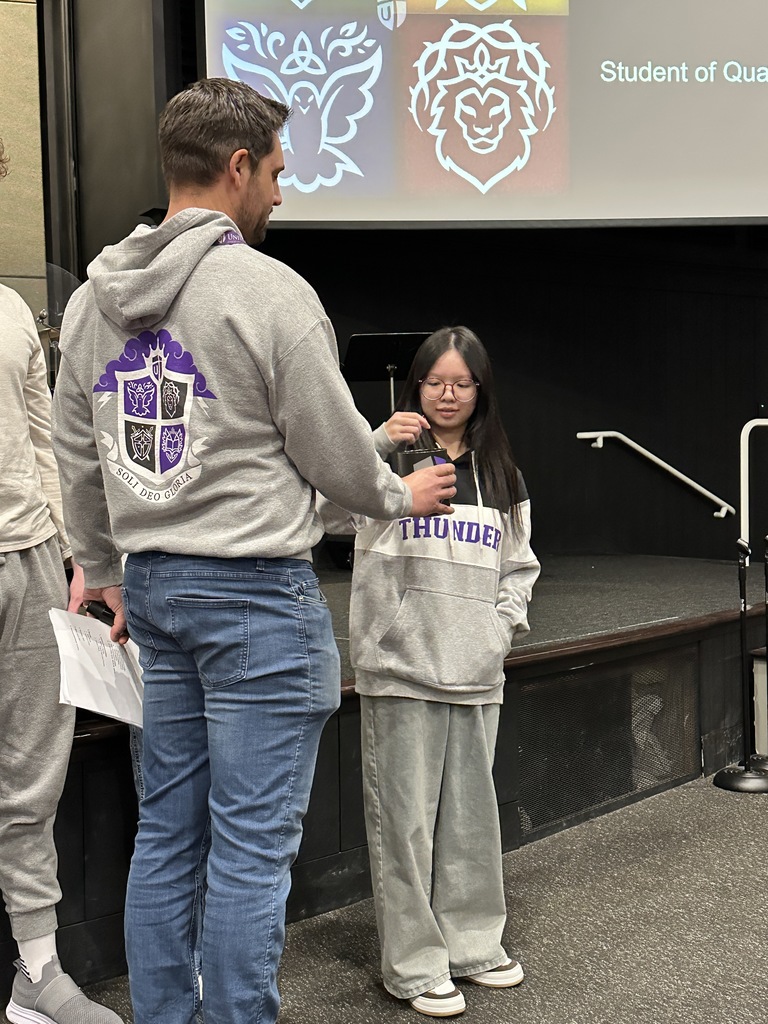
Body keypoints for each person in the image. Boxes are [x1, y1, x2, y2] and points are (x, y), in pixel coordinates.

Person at [50, 78, 456, 1024]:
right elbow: (334, 457)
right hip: (255, 604)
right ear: (237, 167)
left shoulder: (90, 303)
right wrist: (395, 494)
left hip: (155, 593)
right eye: (275, 171)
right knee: (248, 853)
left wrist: (102, 569)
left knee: (167, 838)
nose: (280, 190)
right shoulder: (271, 293)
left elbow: (77, 452)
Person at [319, 326, 540, 1017]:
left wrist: (498, 630)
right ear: (416, 386)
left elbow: (520, 567)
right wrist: (375, 443)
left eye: (461, 383)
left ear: (480, 391)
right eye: (435, 382)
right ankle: (414, 966)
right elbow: (321, 514)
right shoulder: (387, 460)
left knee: (472, 822)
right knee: (404, 827)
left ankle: (473, 946)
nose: (447, 394)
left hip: (475, 669)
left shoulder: (502, 473)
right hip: (401, 666)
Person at [0, 137, 123, 1024]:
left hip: (31, 556)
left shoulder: (11, 309)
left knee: (33, 776)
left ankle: (36, 974)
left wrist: (80, 555)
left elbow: (46, 440)